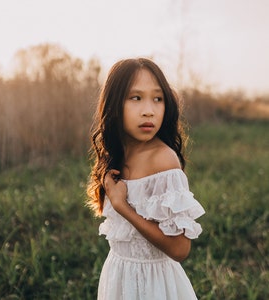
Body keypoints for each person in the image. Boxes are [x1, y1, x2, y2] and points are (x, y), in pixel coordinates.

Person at [87, 57, 205, 300]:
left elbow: (180, 249)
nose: (149, 110)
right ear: (114, 105)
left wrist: (123, 207)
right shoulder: (117, 157)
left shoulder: (163, 160)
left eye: (157, 99)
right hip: (118, 279)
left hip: (155, 286)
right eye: (136, 98)